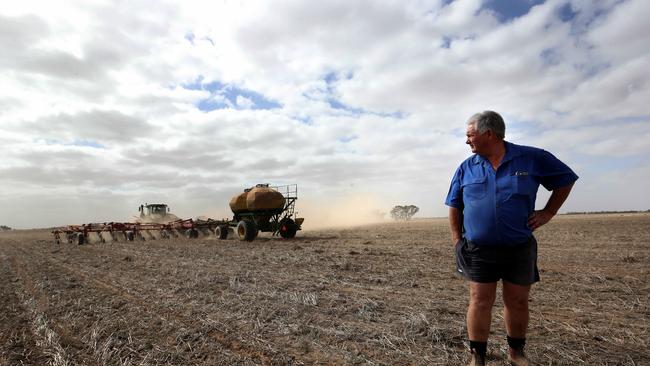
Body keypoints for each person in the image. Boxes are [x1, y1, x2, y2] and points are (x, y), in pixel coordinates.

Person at [445, 111, 578, 366]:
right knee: (479, 300)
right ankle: (477, 357)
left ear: (489, 134)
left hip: (519, 248)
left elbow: (565, 179)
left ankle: (516, 354)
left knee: (517, 301)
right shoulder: (466, 167)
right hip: (479, 249)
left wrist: (549, 211)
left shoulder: (532, 158)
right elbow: (454, 204)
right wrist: (456, 240)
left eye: (470, 135)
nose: (466, 141)